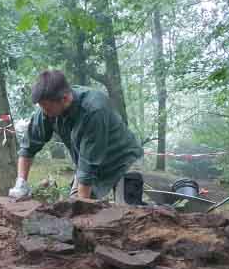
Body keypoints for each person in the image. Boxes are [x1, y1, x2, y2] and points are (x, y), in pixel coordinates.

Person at [10, 70, 143, 202]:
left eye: (48, 109)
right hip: (89, 164)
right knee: (72, 205)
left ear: (65, 98)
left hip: (122, 162)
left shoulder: (94, 110)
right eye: (42, 108)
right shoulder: (46, 110)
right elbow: (28, 148)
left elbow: (88, 165)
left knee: (126, 213)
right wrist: (21, 183)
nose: (44, 113)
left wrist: (81, 207)